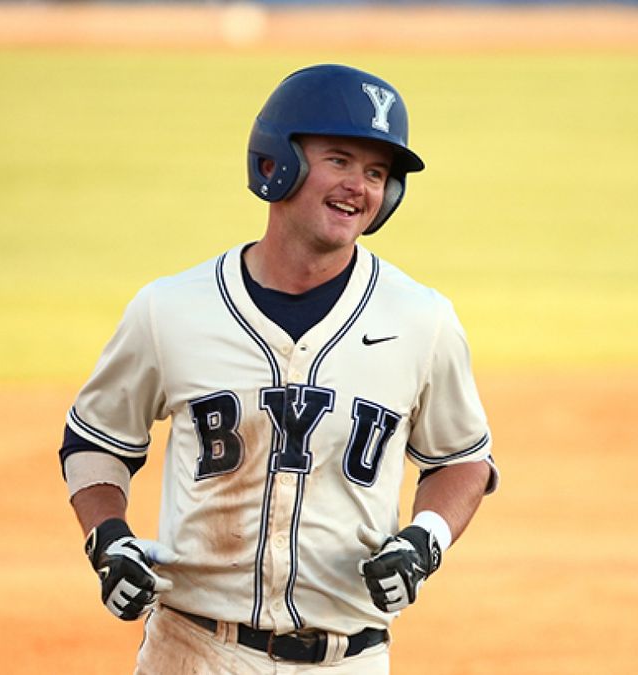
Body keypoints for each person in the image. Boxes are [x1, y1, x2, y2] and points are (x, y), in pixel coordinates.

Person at [59, 63, 499, 674]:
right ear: (276, 163)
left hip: (349, 659)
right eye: (340, 160)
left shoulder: (422, 320)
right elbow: (97, 437)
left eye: (377, 173)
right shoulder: (172, 310)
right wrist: (107, 538)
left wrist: (426, 538)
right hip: (194, 651)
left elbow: (462, 458)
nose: (359, 187)